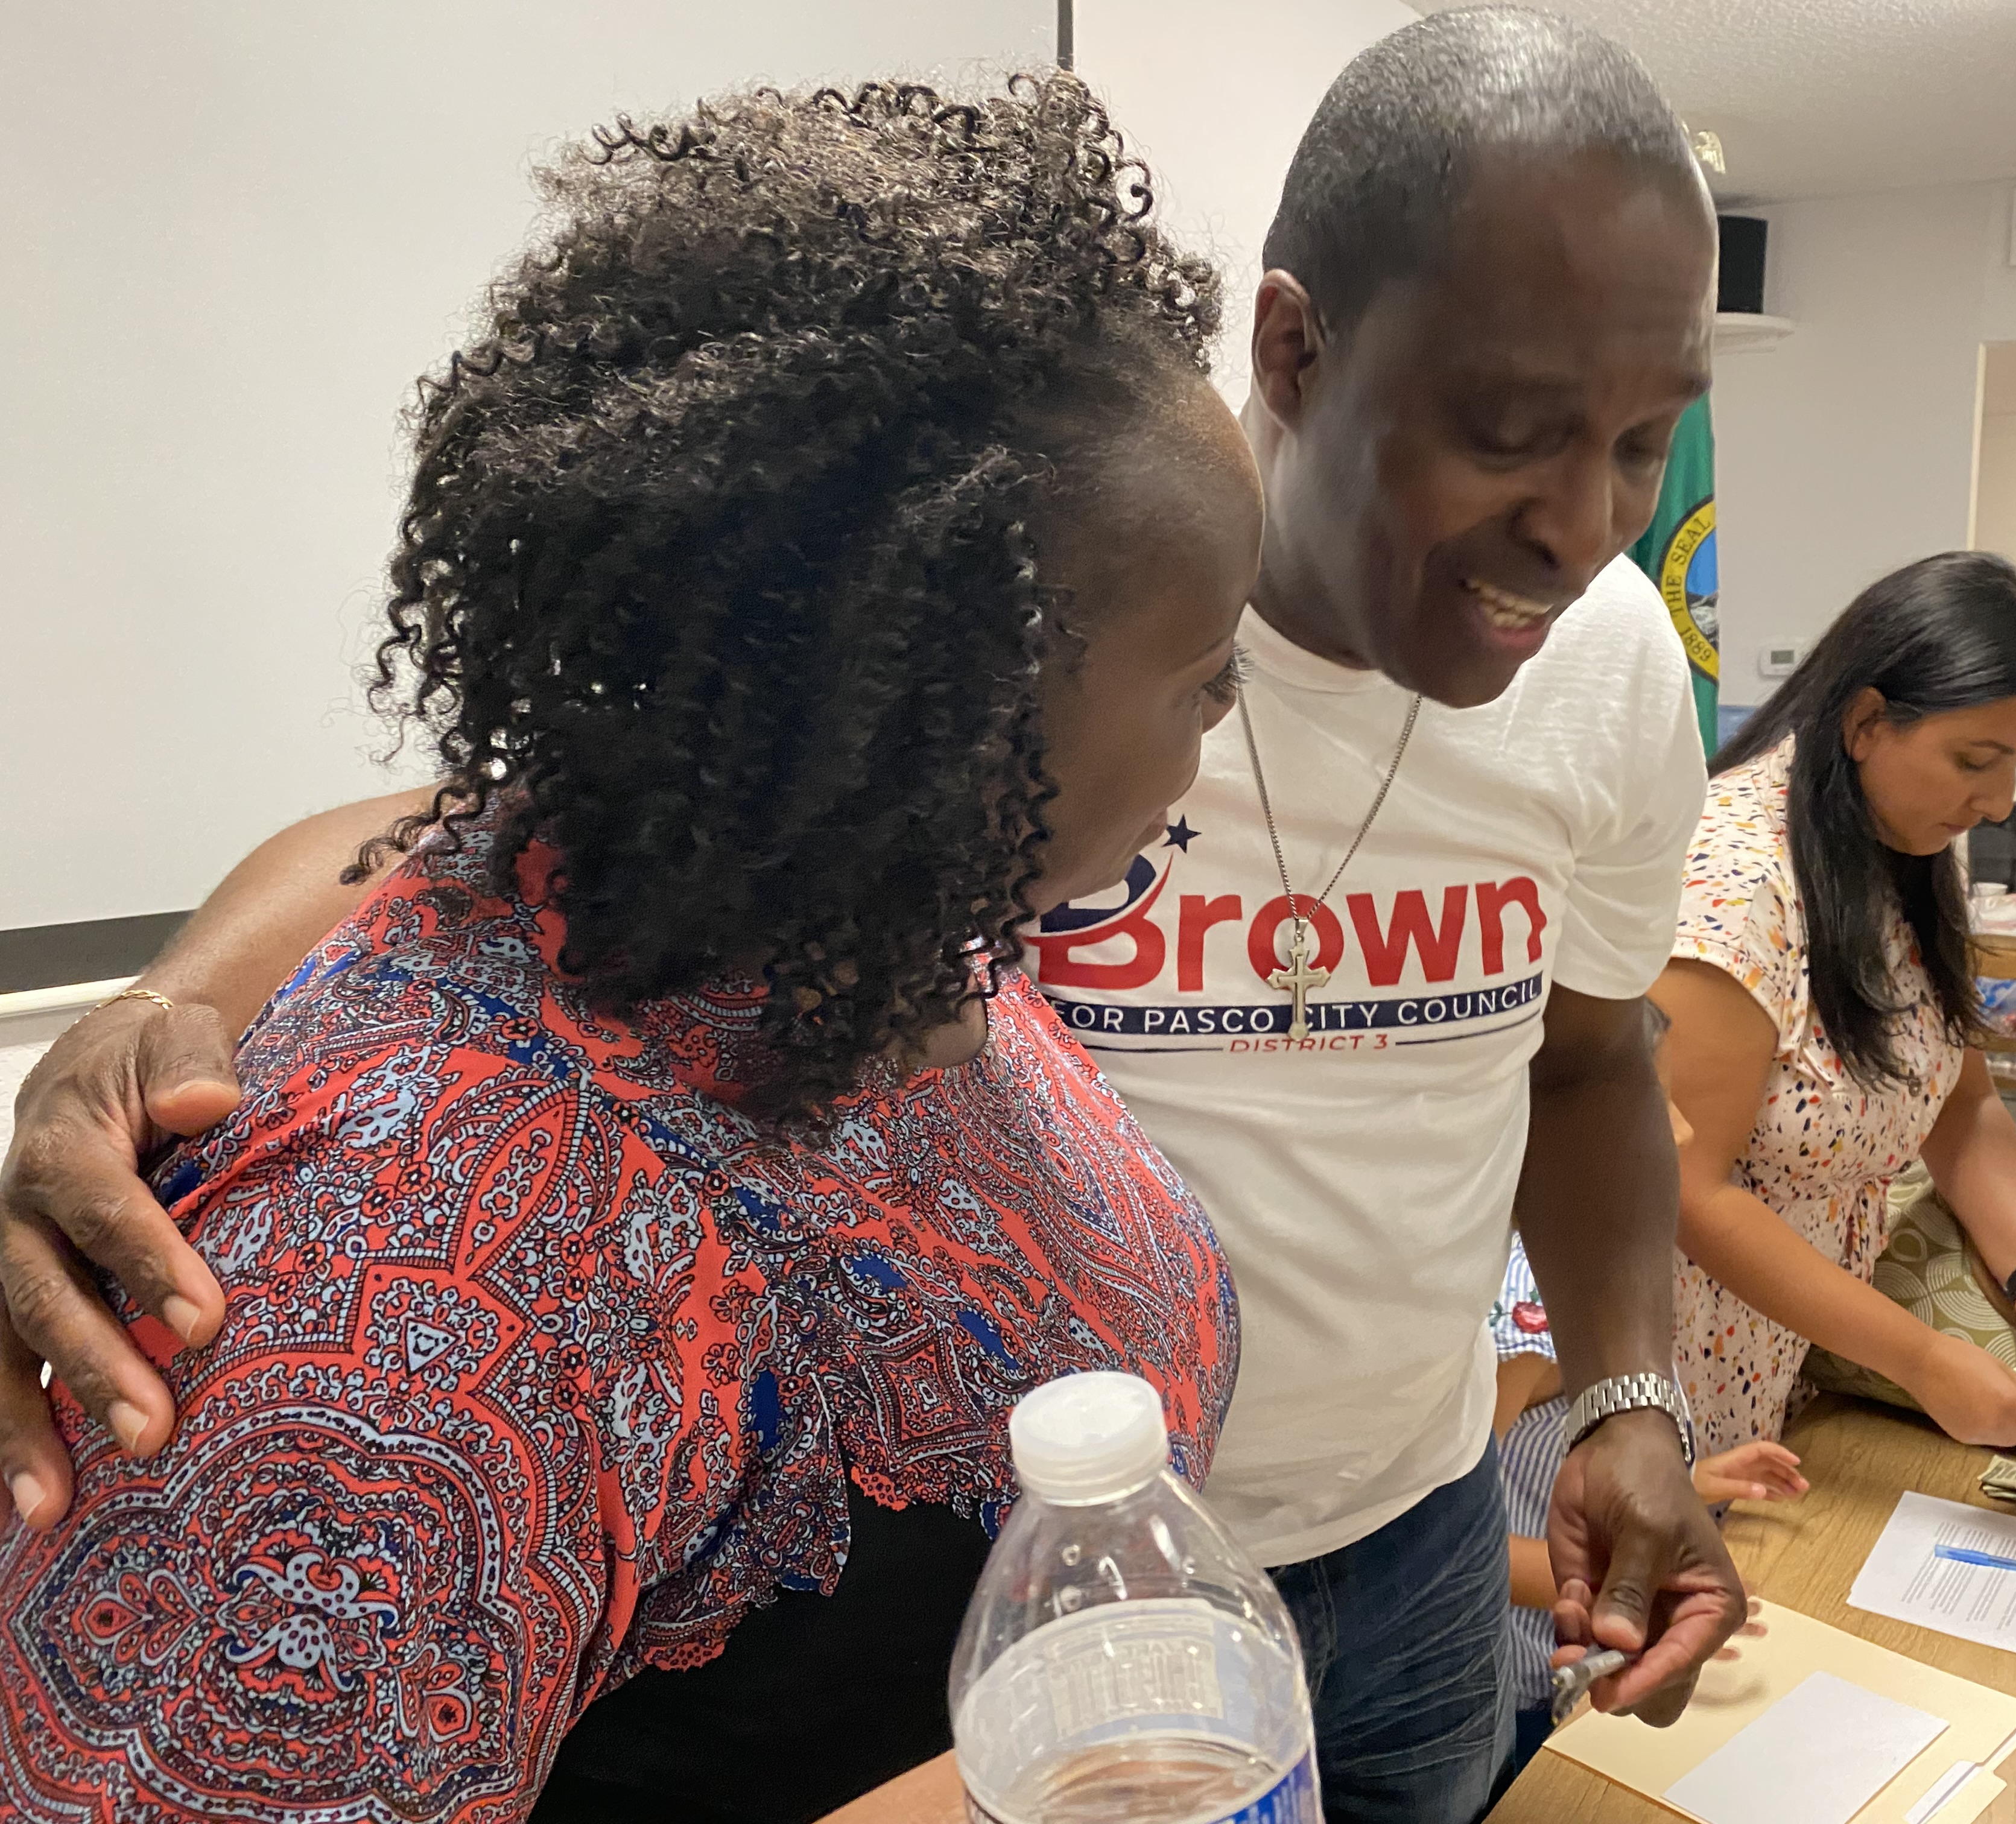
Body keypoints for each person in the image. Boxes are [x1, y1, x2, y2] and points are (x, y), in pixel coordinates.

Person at [0, 14, 1748, 1819]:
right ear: (947, 708)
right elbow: (465, 855)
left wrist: (1624, 1393)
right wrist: (133, 1041)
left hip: (1387, 1548)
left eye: (1645, 443)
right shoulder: (406, 1315)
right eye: (1514, 430)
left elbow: (1590, 1064)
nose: (1587, 525)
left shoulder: (923, 932)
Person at [0, 76, 1261, 1822]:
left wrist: (162, 994)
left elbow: (419, 824)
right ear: (960, 717)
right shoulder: (395, 1330)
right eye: (1205, 677)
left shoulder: (847, 899)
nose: (1225, 721)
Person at [1651, 551, 2016, 1464]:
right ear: (1868, 722)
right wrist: (1924, 1361)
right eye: (1976, 761)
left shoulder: (1903, 851)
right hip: (1678, 1373)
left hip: (1800, 1366)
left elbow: (1960, 1099)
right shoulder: (1735, 884)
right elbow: (1685, 1190)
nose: (1999, 803)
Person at [1488, 1011, 1804, 1784]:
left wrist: (1689, 1485)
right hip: (1526, 1677)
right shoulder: (1526, 1310)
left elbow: (1552, 1463)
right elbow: (1460, 1545)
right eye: (1657, 1104)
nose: (1685, 1133)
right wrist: (1641, 1579)